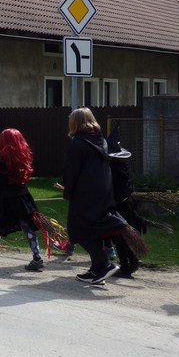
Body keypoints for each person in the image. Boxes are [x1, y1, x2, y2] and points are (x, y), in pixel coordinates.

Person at [62, 107, 126, 285]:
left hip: (85, 193)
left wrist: (68, 192)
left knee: (78, 230)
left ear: (75, 123)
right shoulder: (100, 140)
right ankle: (96, 270)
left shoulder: (77, 143)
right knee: (94, 229)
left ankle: (104, 264)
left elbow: (72, 171)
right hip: (103, 190)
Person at [0, 128, 45, 271]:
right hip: (22, 198)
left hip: (8, 200)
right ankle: (37, 257)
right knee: (27, 227)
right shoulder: (23, 157)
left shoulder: (3, 159)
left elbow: (3, 183)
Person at [106, 125, 142, 278]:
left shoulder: (114, 168)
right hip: (128, 203)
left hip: (119, 205)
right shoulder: (123, 165)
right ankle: (131, 261)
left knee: (118, 236)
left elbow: (114, 188)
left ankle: (127, 266)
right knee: (120, 235)